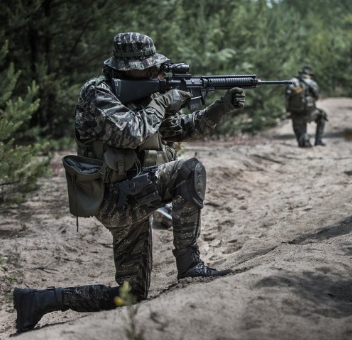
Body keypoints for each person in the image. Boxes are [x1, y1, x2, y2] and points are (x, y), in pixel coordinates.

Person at [13, 32, 245, 333]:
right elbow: (132, 132)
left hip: (133, 191)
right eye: (147, 68)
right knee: (190, 169)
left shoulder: (143, 97)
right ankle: (189, 266)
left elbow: (181, 130)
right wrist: (162, 100)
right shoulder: (98, 94)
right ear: (126, 67)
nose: (154, 72)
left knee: (130, 295)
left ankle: (41, 301)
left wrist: (221, 106)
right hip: (113, 199)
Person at [285, 65, 328, 147]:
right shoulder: (312, 83)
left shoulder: (292, 82)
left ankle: (303, 140)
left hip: (295, 112)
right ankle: (318, 140)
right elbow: (317, 97)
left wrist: (288, 109)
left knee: (298, 124)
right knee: (322, 116)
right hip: (310, 112)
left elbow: (287, 97)